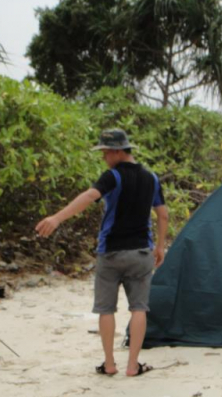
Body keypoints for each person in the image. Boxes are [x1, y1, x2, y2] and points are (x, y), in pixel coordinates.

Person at [36, 128, 168, 377]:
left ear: (118, 151)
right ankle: (132, 365)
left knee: (106, 309)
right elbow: (163, 214)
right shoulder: (152, 178)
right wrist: (160, 246)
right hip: (141, 252)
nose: (104, 157)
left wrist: (57, 218)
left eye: (106, 152)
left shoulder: (113, 176)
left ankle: (109, 364)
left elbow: (89, 196)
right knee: (139, 308)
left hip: (111, 253)